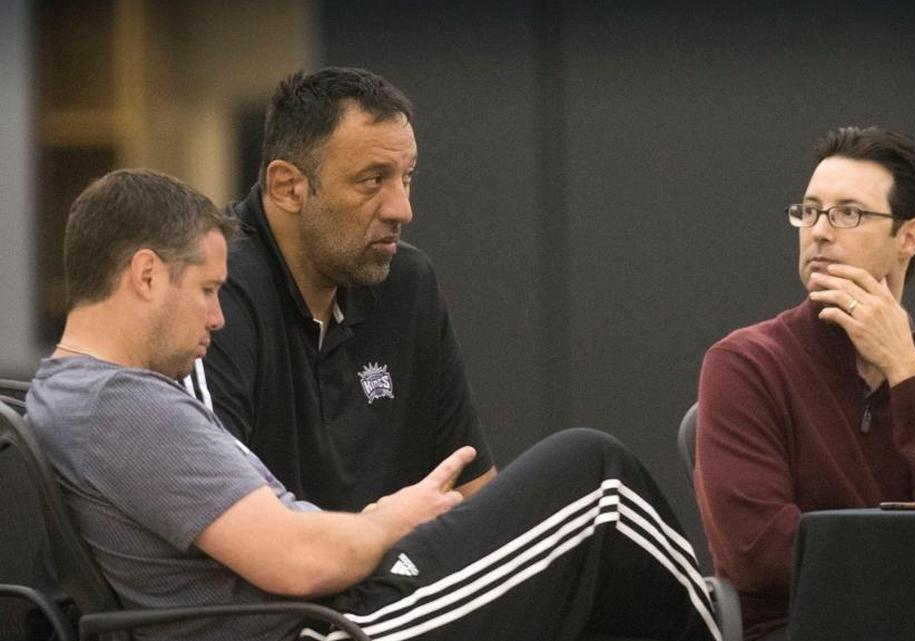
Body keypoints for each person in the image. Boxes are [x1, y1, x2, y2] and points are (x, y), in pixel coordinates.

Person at [27, 168, 720, 641]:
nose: (217, 318)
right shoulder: (122, 406)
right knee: (597, 480)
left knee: (584, 531)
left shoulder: (63, 394)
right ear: (147, 275)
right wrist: (394, 517)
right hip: (334, 622)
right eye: (208, 291)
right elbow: (296, 560)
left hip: (333, 606)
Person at [694, 127, 915, 641]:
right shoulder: (745, 364)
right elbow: (757, 554)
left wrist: (907, 373)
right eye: (810, 210)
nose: (819, 231)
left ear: (909, 237)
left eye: (849, 213)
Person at [184, 67, 494, 512]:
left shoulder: (408, 282)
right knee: (597, 466)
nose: (401, 208)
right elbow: (224, 518)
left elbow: (472, 492)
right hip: (288, 574)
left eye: (406, 177)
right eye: (372, 180)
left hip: (407, 575)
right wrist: (373, 536)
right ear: (288, 187)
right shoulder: (215, 292)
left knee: (583, 469)